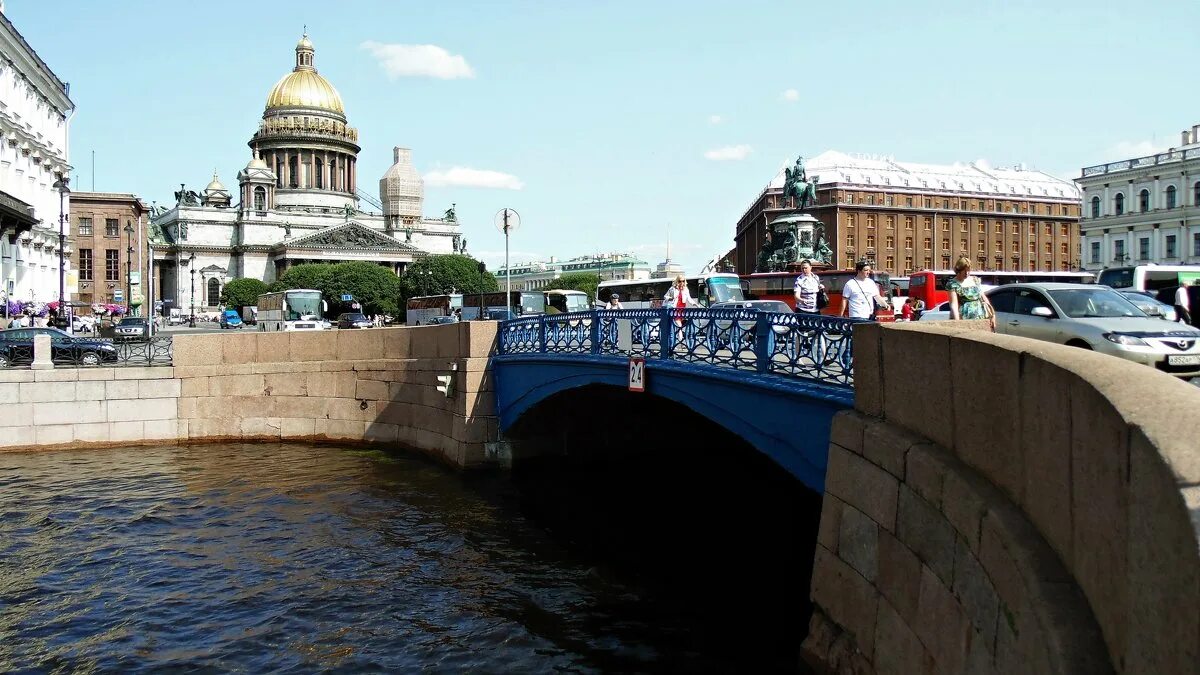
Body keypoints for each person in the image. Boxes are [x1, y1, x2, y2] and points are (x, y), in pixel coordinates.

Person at [947, 256, 996, 330]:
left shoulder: (975, 280)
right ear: (959, 270)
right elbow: (954, 305)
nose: (967, 273)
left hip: (981, 318)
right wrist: (957, 322)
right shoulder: (953, 284)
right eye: (964, 271)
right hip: (964, 319)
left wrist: (992, 316)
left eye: (969, 271)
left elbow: (984, 298)